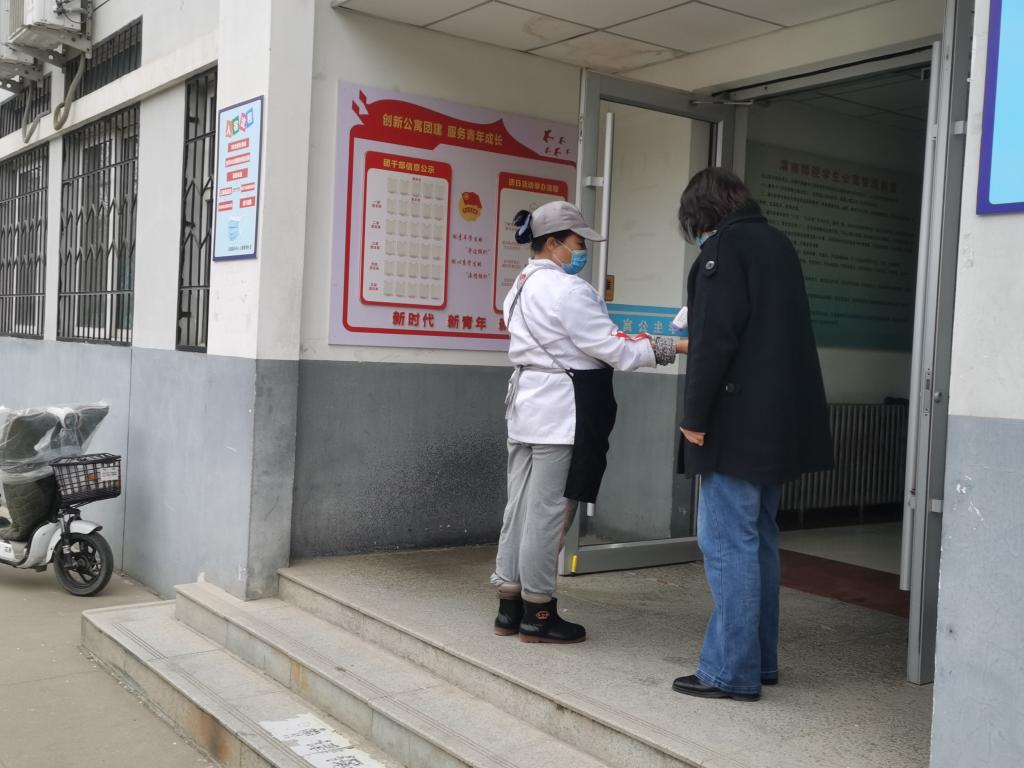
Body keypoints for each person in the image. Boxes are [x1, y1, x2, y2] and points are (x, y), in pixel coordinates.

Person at [672, 168, 833, 701]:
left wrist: (694, 418)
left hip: (735, 423)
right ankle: (760, 660)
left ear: (701, 212)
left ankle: (729, 671)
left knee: (726, 542)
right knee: (760, 539)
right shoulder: (778, 244)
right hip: (777, 422)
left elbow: (714, 341)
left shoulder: (722, 252)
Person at [491, 200, 682, 644]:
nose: (583, 250)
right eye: (578, 242)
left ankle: (509, 604)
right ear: (554, 243)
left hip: (525, 406)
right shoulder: (568, 290)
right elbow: (613, 347)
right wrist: (674, 347)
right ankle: (538, 610)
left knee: (519, 508)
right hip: (562, 411)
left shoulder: (519, 284)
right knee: (550, 512)